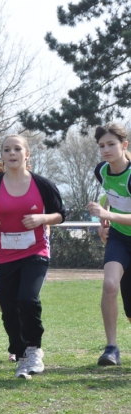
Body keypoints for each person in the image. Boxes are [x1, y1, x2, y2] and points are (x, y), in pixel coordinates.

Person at [0, 134, 65, 379]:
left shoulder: (42, 184)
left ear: (27, 155)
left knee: (28, 299)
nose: (12, 153)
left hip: (35, 251)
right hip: (5, 255)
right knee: (8, 309)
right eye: (7, 149)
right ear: (3, 155)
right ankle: (20, 351)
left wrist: (42, 219)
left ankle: (34, 350)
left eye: (17, 149)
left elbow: (60, 214)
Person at [88, 122, 131, 366]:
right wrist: (103, 221)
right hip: (119, 238)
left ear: (124, 145)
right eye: (101, 145)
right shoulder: (101, 170)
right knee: (110, 284)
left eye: (111, 144)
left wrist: (108, 216)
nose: (106, 150)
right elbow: (111, 195)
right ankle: (111, 348)